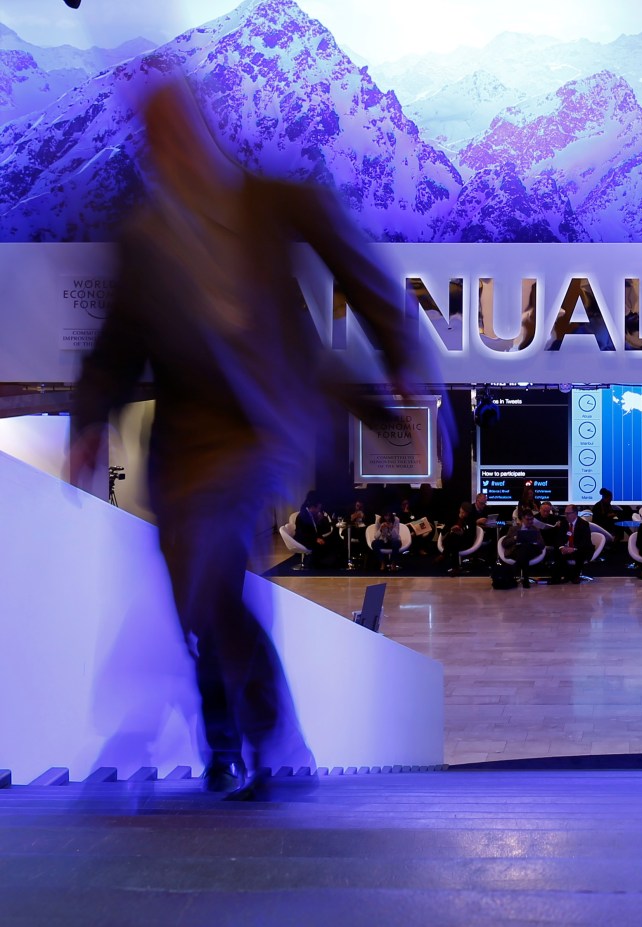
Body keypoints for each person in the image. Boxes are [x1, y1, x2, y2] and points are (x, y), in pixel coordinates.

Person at [67, 73, 441, 801]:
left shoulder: (276, 202)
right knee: (199, 597)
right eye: (156, 135)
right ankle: (224, 741)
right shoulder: (143, 239)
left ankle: (264, 736)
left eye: (180, 128)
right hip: (182, 448)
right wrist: (87, 424)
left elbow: (361, 273)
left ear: (204, 128)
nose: (171, 146)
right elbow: (114, 348)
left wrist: (401, 361)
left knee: (211, 574)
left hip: (260, 433)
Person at [551, 504, 595, 584]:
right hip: (566, 547)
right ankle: (561, 577)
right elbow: (559, 538)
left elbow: (585, 541)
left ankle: (574, 576)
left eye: (568, 513)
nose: (566, 515)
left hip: (580, 548)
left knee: (580, 553)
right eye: (565, 513)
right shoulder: (564, 523)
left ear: (575, 513)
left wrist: (573, 549)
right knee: (556, 552)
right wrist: (562, 547)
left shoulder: (583, 524)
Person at [294, 498, 341, 568]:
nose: (319, 510)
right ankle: (319, 563)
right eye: (318, 508)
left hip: (311, 537)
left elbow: (313, 529)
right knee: (327, 544)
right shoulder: (303, 516)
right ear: (313, 507)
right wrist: (315, 539)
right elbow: (302, 533)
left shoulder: (310, 514)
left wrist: (319, 520)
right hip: (304, 539)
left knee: (333, 539)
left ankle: (329, 561)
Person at [506, 512, 547, 588]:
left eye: (532, 519)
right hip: (516, 551)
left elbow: (542, 544)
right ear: (522, 519)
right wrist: (515, 538)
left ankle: (514, 569)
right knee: (524, 550)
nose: (530, 521)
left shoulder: (535, 529)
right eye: (528, 519)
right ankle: (525, 579)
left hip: (532, 551)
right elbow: (504, 543)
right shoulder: (514, 529)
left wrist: (535, 541)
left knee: (525, 548)